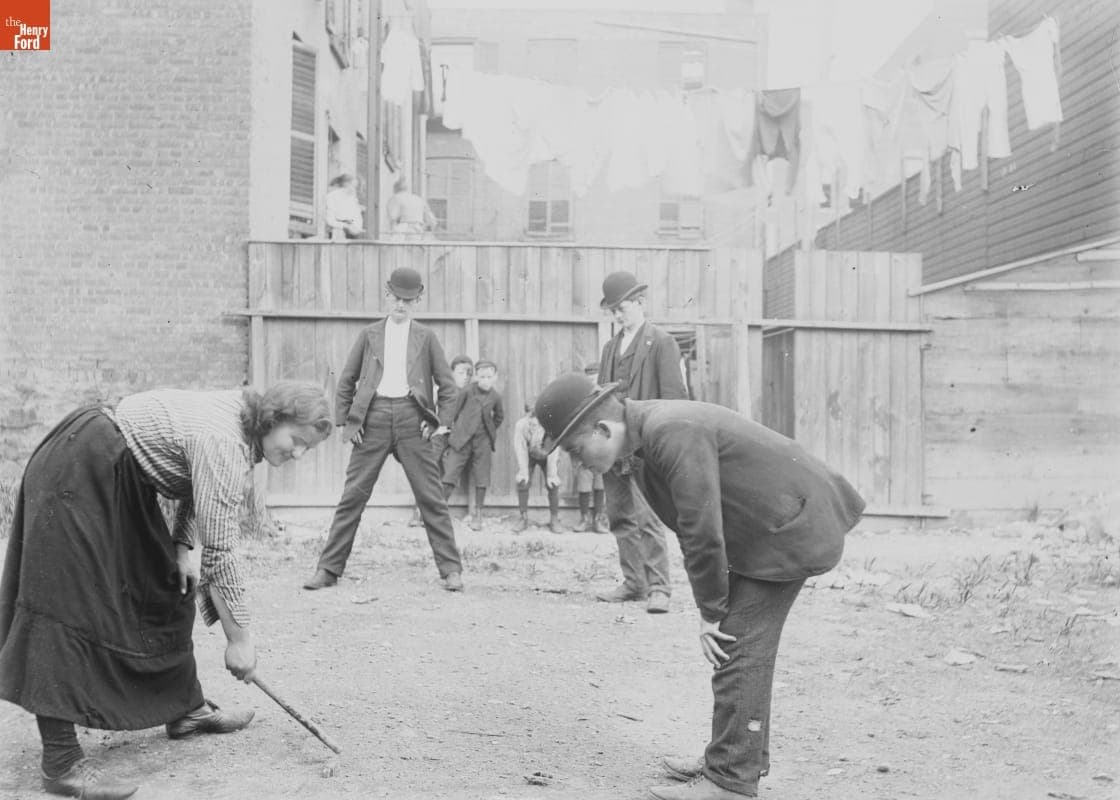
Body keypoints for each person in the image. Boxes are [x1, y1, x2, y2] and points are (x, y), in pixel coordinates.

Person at [534, 373, 865, 800]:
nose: (579, 465)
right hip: (765, 529)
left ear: (602, 429)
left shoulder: (668, 430)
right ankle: (735, 758)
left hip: (789, 528)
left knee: (735, 646)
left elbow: (700, 529)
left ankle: (729, 780)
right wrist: (714, 606)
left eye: (576, 451)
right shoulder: (643, 437)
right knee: (739, 646)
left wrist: (711, 612)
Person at [0, 381, 334, 800]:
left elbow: (199, 484)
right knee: (66, 609)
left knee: (166, 584)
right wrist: (239, 640)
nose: (298, 455)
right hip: (80, 465)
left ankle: (185, 710)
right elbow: (221, 555)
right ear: (273, 419)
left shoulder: (241, 430)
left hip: (119, 471)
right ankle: (61, 763)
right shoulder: (223, 439)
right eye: (297, 441)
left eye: (308, 449)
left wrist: (179, 547)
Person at [303, 266, 465, 593]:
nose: (401, 305)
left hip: (413, 420)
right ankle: (328, 569)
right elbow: (346, 380)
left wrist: (438, 422)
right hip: (373, 419)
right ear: (387, 296)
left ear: (418, 300)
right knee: (352, 496)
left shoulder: (426, 337)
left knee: (431, 497)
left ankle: (451, 570)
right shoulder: (369, 334)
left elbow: (448, 386)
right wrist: (347, 421)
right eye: (396, 298)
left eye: (408, 300)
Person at [596, 270, 688, 614]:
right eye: (613, 310)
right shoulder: (610, 348)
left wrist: (664, 445)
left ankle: (659, 587)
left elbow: (674, 400)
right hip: (615, 446)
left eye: (622, 308)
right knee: (619, 515)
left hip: (645, 445)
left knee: (648, 517)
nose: (618, 315)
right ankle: (634, 582)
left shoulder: (661, 342)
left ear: (640, 303)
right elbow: (601, 399)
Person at [409, 354, 473, 527]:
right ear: (451, 373)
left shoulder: (470, 393)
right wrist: (435, 428)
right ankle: (418, 513)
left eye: (468, 373)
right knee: (428, 472)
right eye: (460, 373)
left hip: (457, 440)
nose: (465, 377)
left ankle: (435, 515)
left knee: (450, 475)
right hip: (438, 437)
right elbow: (426, 410)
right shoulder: (441, 390)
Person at [441, 359, 504, 531]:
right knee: (450, 472)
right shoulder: (467, 391)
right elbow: (454, 412)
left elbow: (499, 417)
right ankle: (439, 512)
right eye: (482, 377)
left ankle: (478, 515)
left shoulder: (495, 397)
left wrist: (489, 429)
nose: (485, 380)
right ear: (476, 376)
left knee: (482, 476)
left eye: (489, 377)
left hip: (482, 441)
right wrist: (455, 431)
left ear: (495, 377)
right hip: (462, 439)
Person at [511, 403, 562, 534]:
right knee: (522, 481)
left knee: (553, 483)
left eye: (537, 417)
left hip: (548, 454)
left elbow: (554, 450)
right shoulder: (521, 425)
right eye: (531, 417)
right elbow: (520, 449)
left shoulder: (551, 425)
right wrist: (523, 472)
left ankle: (554, 519)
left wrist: (552, 475)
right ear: (526, 415)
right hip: (530, 454)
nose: (534, 421)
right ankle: (523, 518)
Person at [573, 363, 607, 533]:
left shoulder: (606, 397)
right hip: (584, 447)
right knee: (584, 485)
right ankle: (583, 519)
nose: (592, 381)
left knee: (600, 485)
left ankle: (598, 520)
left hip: (602, 447)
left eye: (595, 377)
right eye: (589, 378)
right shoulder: (579, 399)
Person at [325, 173, 365, 239]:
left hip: (353, 234)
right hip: (338, 233)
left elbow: (357, 216)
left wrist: (356, 228)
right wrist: (345, 226)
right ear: (346, 184)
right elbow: (330, 220)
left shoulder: (352, 198)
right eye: (354, 187)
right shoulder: (333, 196)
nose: (355, 190)